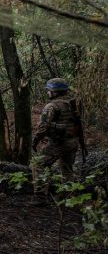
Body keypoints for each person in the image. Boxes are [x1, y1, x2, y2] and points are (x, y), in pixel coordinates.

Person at [30, 78, 85, 206]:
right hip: (73, 141)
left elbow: (43, 127)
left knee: (38, 164)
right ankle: (69, 197)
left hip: (59, 143)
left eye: (49, 90)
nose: (47, 93)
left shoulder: (51, 106)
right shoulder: (74, 103)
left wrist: (36, 140)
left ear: (54, 92)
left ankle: (40, 197)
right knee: (67, 168)